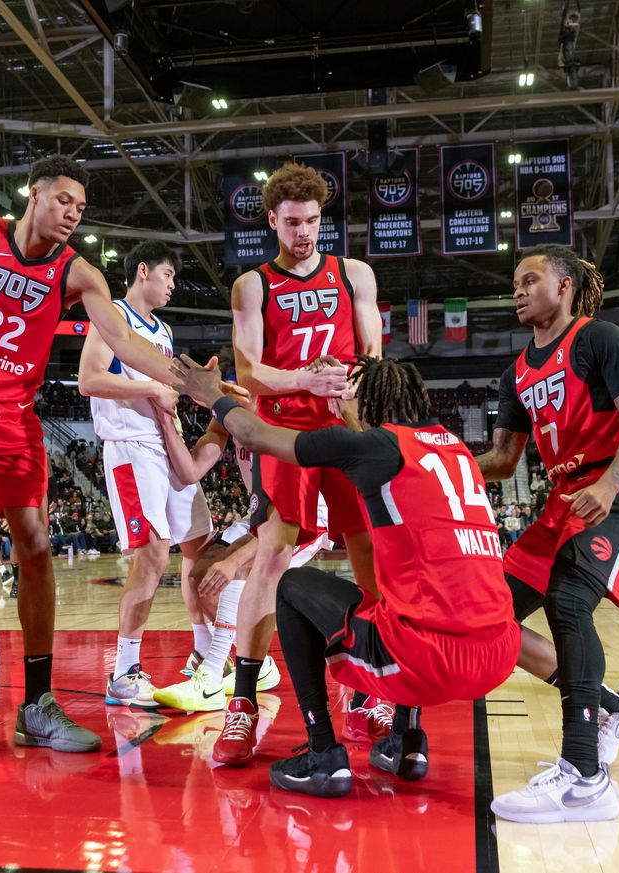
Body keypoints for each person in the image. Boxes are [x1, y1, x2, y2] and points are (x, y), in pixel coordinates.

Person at [0, 155, 233, 761]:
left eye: (82, 208)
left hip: (14, 416)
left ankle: (36, 705)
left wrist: (204, 386)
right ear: (33, 195)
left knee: (35, 546)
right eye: (64, 200)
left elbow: (125, 343)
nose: (73, 213)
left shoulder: (78, 273)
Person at [170, 353, 519, 797]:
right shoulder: (455, 452)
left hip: (429, 661)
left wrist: (212, 396)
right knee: (402, 591)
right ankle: (407, 740)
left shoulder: (371, 449)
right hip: (498, 656)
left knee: (293, 586)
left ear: (368, 404)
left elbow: (255, 433)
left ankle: (322, 751)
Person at [202, 161, 383, 766]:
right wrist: (305, 378)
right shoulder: (253, 285)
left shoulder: (353, 274)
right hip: (286, 433)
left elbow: (375, 354)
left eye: (312, 221)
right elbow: (249, 370)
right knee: (274, 554)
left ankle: (375, 686)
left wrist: (352, 384)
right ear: (273, 221)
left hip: (347, 428)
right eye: (292, 222)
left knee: (367, 552)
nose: (304, 232)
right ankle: (243, 702)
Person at [474, 244, 619, 823]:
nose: (519, 290)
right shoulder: (517, 371)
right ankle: (611, 709)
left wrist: (607, 485)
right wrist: (435, 458)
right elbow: (503, 459)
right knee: (488, 618)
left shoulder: (598, 339)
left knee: (569, 601)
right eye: (515, 283)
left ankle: (583, 775)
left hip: (614, 491)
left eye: (531, 279)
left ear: (567, 285)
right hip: (559, 503)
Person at [76, 241, 215, 710]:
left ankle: (204, 654)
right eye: (169, 275)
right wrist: (151, 386)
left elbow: (173, 385)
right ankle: (124, 672)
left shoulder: (163, 330)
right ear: (142, 271)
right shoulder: (112, 316)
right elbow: (89, 379)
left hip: (165, 444)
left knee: (201, 543)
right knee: (153, 557)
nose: (174, 285)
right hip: (131, 447)